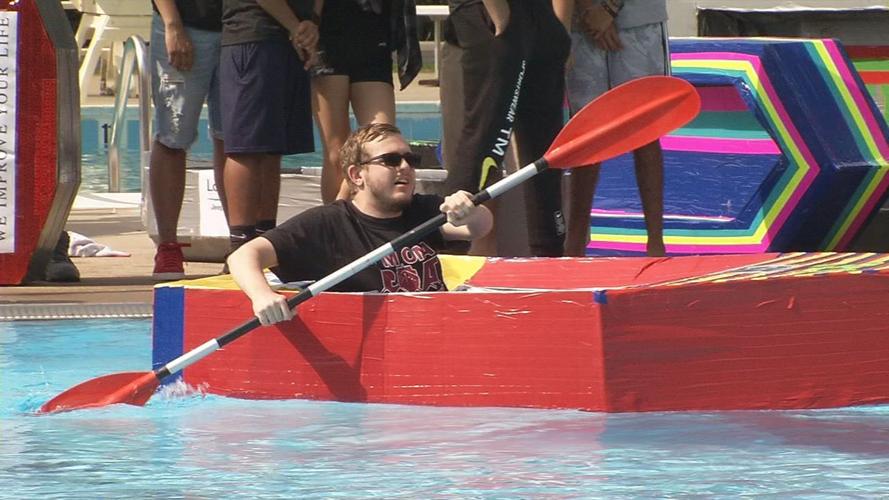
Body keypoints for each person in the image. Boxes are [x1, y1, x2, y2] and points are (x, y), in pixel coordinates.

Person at [228, 123, 492, 325]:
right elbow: (243, 256)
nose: (405, 167)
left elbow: (478, 227)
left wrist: (469, 208)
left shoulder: (423, 209)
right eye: (390, 160)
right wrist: (262, 295)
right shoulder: (327, 223)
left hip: (435, 332)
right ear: (357, 175)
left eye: (410, 160)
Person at [442, 0, 571, 258]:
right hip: (493, 14)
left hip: (537, 15)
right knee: (485, 138)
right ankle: (449, 252)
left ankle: (549, 255)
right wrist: (502, 20)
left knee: (545, 151)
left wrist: (559, 28)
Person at [561, 0, 668, 257]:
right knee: (585, 135)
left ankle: (656, 244)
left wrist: (608, 9)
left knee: (646, 130)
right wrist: (590, 9)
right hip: (580, 24)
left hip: (638, 21)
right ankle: (574, 245)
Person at [219, 0, 320, 259]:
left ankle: (264, 245)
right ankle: (240, 248)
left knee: (272, 148)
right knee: (247, 147)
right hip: (252, 35)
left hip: (291, 42)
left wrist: (311, 24)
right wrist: (297, 27)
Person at [311, 0, 421, 203]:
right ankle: (336, 221)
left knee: (384, 139)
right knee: (337, 151)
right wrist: (311, 22)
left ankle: (347, 214)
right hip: (328, 34)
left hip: (373, 34)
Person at [149, 0, 224, 280]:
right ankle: (168, 245)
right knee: (172, 137)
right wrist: (172, 24)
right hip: (186, 24)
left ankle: (241, 244)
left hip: (242, 28)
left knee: (235, 141)